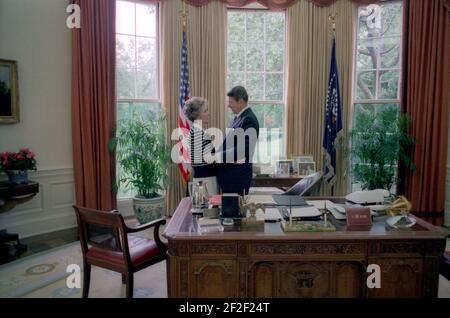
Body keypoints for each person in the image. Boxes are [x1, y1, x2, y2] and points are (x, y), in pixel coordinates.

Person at [217, 86, 259, 195]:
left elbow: (242, 151)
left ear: (240, 101)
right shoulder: (238, 118)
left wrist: (217, 157)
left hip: (237, 179)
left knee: (235, 211)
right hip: (230, 177)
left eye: (231, 102)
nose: (228, 105)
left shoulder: (249, 120)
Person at [184, 97, 219, 195]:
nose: (208, 113)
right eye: (205, 111)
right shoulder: (197, 132)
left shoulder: (199, 131)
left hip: (205, 180)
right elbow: (210, 159)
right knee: (206, 210)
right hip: (205, 183)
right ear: (197, 114)